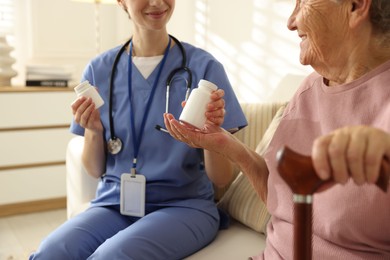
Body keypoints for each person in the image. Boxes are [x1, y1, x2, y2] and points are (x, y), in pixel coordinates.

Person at [164, 0, 390, 259]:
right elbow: (280, 200)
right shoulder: (310, 89)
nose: (291, 22)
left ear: (355, 6)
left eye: (303, 2)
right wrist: (225, 144)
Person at [29, 0, 247, 259]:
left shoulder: (205, 69)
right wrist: (94, 131)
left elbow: (222, 178)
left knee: (111, 256)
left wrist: (212, 135)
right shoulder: (99, 70)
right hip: (114, 205)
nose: (156, 2)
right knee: (50, 252)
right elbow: (94, 169)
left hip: (184, 206)